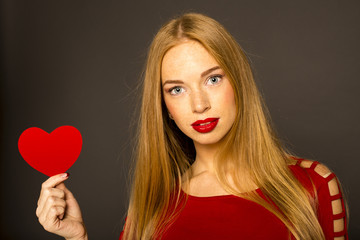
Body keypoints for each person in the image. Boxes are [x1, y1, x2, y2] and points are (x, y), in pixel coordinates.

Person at [36, 13, 348, 240]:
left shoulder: (313, 186)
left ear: (239, 83)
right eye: (177, 89)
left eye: (213, 79)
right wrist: (77, 238)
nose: (199, 105)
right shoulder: (153, 205)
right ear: (165, 107)